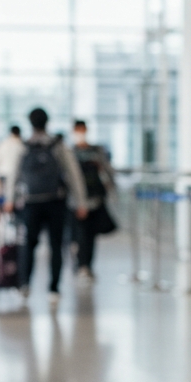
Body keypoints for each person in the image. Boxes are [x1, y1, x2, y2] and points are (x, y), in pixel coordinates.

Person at [3, 107, 87, 303]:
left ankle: (24, 284)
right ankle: (54, 289)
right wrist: (81, 201)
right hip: (56, 202)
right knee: (56, 245)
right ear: (47, 122)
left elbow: (14, 175)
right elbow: (73, 175)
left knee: (28, 245)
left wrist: (9, 200)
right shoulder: (58, 145)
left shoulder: (23, 146)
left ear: (30, 123)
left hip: (31, 202)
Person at [70, 120, 115, 280]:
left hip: (95, 200)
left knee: (90, 235)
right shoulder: (70, 152)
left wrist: (111, 189)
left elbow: (108, 171)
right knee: (78, 235)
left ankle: (86, 266)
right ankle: (80, 264)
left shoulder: (96, 151)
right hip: (74, 202)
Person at [0, 125, 24, 201]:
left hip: (3, 175)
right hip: (18, 176)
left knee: (4, 201)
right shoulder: (22, 145)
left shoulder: (2, 144)